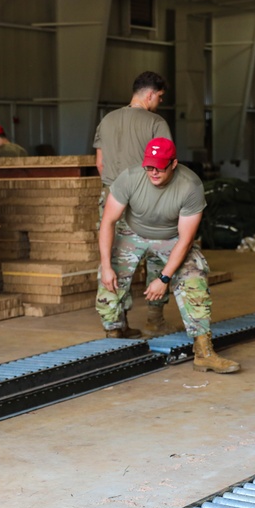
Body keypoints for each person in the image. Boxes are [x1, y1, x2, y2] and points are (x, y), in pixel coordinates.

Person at [98, 137, 239, 374]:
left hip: (170, 235)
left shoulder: (190, 186)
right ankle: (115, 332)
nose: (153, 172)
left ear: (173, 163)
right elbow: (108, 222)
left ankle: (203, 352)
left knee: (194, 274)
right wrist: (106, 265)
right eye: (149, 166)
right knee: (108, 270)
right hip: (132, 230)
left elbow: (185, 240)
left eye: (159, 167)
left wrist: (164, 278)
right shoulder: (130, 178)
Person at [93, 71, 173, 336]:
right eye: (159, 97)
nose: (159, 102)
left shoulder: (107, 120)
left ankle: (115, 325)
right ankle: (154, 318)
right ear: (150, 94)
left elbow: (100, 163)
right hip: (145, 197)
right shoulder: (155, 122)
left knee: (114, 259)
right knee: (158, 256)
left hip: (112, 196)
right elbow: (164, 164)